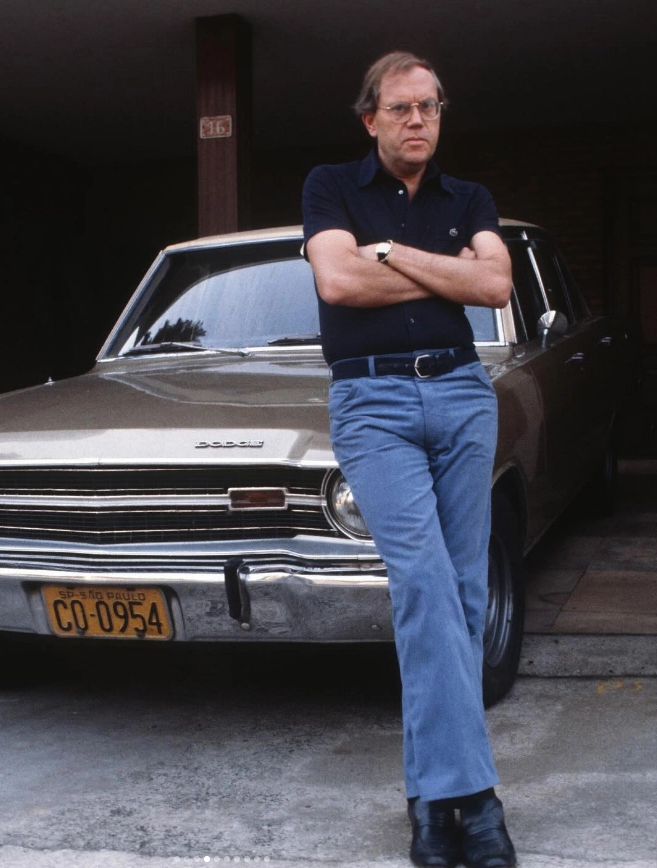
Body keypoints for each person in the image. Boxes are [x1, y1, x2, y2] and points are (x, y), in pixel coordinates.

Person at [302, 51, 517, 868]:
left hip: (463, 397)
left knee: (461, 595)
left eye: (429, 107)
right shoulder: (330, 186)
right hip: (372, 402)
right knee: (424, 583)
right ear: (371, 119)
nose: (418, 120)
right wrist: (446, 273)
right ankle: (478, 804)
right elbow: (337, 284)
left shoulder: (471, 198)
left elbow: (495, 288)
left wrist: (388, 253)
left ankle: (432, 801)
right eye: (401, 109)